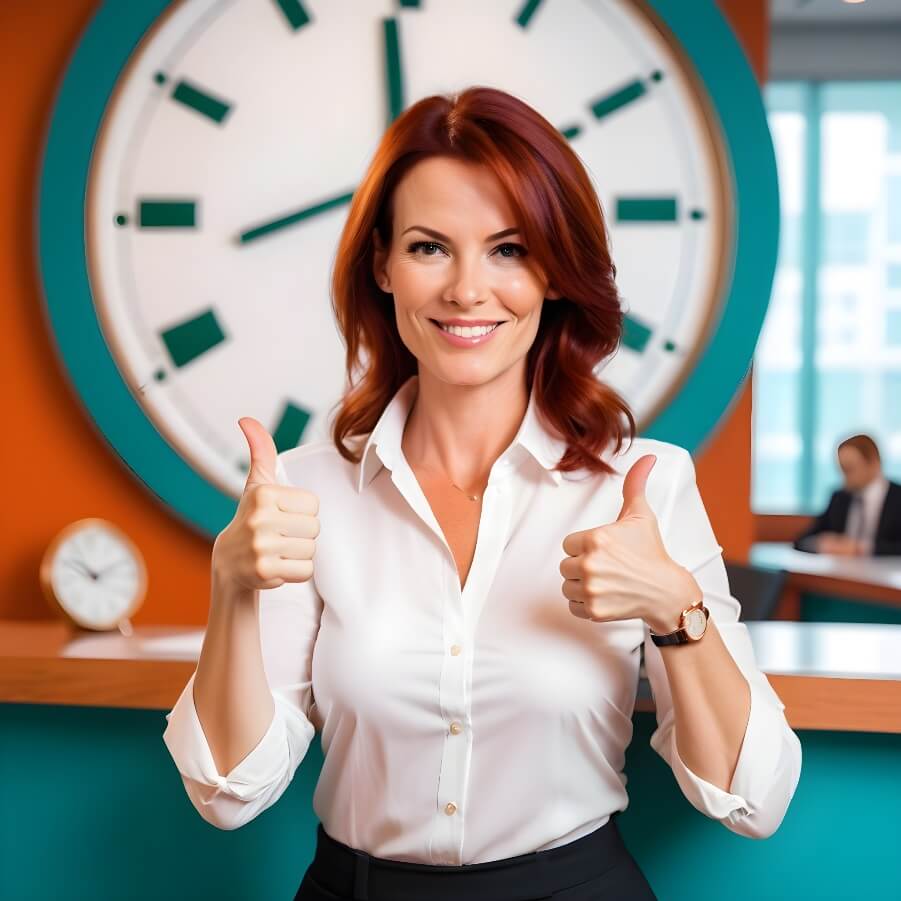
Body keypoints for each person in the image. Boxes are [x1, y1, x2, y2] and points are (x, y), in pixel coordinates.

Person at [162, 86, 803, 901]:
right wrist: (233, 587)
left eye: (508, 249)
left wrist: (677, 612)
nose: (468, 290)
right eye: (430, 247)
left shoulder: (644, 485)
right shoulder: (304, 486)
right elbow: (227, 793)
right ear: (382, 266)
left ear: (554, 273)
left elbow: (753, 799)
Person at [793, 434, 901, 557]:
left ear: (874, 463)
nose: (845, 477)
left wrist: (861, 548)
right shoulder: (839, 498)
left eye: (850, 469)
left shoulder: (897, 497)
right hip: (840, 572)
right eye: (842, 469)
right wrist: (822, 543)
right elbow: (802, 540)